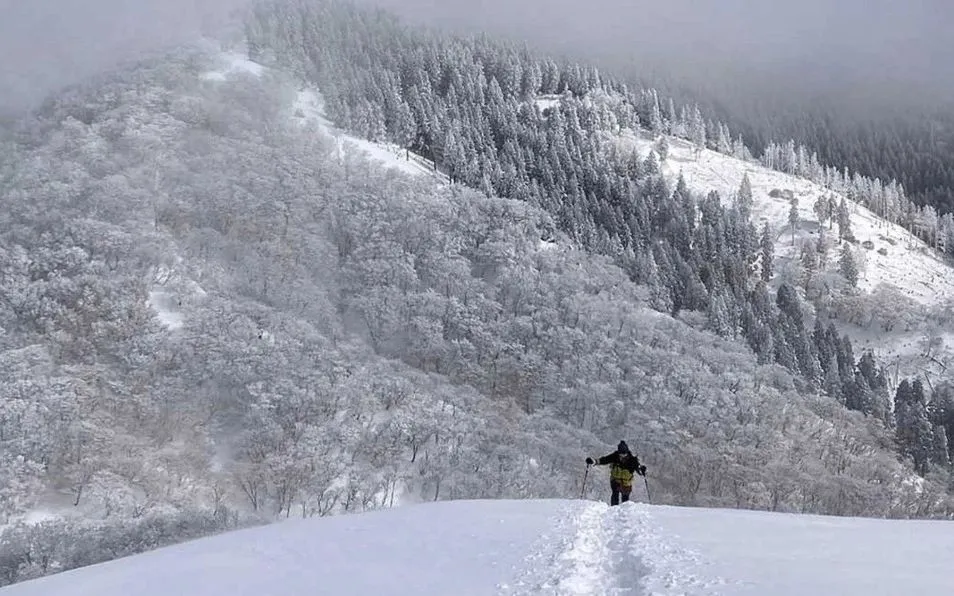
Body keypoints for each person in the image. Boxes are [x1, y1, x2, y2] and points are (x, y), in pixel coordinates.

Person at [586, 441, 646, 505]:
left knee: (625, 498)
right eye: (621, 454)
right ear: (619, 452)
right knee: (615, 494)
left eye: (624, 453)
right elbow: (605, 460)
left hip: (626, 482)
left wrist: (641, 469)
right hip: (615, 480)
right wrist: (594, 461)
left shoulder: (632, 460)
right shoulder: (615, 456)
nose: (623, 456)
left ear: (627, 452)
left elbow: (638, 468)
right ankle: (614, 508)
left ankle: (625, 509)